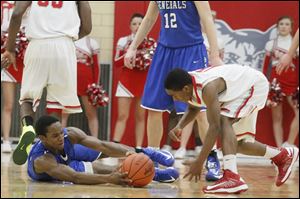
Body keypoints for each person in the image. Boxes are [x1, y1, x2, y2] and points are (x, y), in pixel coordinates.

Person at [124, 1, 223, 180]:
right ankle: (152, 161)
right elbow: (149, 18)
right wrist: (132, 47)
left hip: (192, 49)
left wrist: (214, 55)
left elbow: (207, 18)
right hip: (164, 50)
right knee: (153, 108)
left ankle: (212, 158)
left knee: (200, 111)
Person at [165, 64, 299, 194]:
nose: (174, 99)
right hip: (239, 91)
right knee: (235, 144)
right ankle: (282, 156)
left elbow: (214, 127)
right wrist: (180, 126)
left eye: (174, 95)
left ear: (186, 89)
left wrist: (200, 161)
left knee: (223, 122)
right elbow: (194, 106)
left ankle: (232, 177)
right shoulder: (190, 85)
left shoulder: (207, 87)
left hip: (253, 85)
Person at [2, 1, 91, 165]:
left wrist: (10, 49)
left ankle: (28, 128)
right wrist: (67, 34)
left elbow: (16, 15)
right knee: (56, 103)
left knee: (28, 98)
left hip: (38, 44)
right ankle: (52, 151)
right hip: (64, 46)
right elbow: (87, 27)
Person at [27, 115, 178, 184]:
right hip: (62, 168)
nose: (61, 137)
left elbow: (102, 145)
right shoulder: (42, 160)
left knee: (103, 150)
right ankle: (153, 174)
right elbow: (75, 177)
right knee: (97, 168)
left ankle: (146, 151)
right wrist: (110, 179)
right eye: (55, 135)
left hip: (69, 153)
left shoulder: (69, 135)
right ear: (42, 138)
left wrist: (131, 152)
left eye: (61, 132)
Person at [112, 13, 151, 148]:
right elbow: (116, 62)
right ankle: (114, 146)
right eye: (134, 24)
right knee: (122, 115)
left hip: (143, 83)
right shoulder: (123, 41)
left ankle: (139, 148)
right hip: (126, 82)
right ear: (130, 26)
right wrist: (130, 54)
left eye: (140, 23)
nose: (137, 26)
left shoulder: (151, 43)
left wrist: (144, 58)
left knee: (141, 116)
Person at [262, 16, 299, 147]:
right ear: (277, 27)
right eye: (281, 24)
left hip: (293, 82)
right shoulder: (271, 44)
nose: (284, 26)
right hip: (276, 83)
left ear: (291, 27)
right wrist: (265, 84)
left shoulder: (296, 44)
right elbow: (265, 67)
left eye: (287, 24)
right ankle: (279, 150)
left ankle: (289, 144)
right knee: (277, 117)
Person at [1, 1, 28, 153]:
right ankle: (6, 140)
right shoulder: (5, 7)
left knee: (27, 104)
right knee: (9, 104)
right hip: (9, 61)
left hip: (27, 62)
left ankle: (26, 141)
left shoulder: (35, 9)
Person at [61, 36, 101, 138]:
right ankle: (60, 141)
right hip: (68, 82)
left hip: (87, 84)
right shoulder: (66, 40)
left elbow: (96, 66)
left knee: (91, 113)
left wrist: (95, 86)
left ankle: (95, 142)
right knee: (64, 113)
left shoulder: (91, 42)